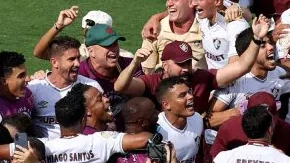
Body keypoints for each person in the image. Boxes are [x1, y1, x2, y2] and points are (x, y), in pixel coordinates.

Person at [116, 17, 271, 115]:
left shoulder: (202, 78)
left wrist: (257, 38)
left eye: (188, 62)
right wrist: (135, 63)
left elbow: (242, 66)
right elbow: (120, 87)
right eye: (179, 63)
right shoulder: (151, 82)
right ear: (164, 65)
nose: (185, 68)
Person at [28, 36, 102, 138]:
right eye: (71, 59)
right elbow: (22, 126)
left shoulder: (91, 87)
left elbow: (107, 122)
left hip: (81, 151)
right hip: (46, 151)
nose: (78, 63)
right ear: (55, 62)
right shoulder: (34, 88)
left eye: (78, 58)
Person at [139, 0, 206, 72]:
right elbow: (147, 72)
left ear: (192, 2)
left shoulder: (206, 27)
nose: (169, 4)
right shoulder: (155, 30)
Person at [193, 0, 249, 70]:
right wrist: (157, 17)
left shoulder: (236, 26)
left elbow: (235, 70)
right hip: (213, 79)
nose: (194, 3)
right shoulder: (203, 16)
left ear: (217, 1)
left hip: (232, 83)